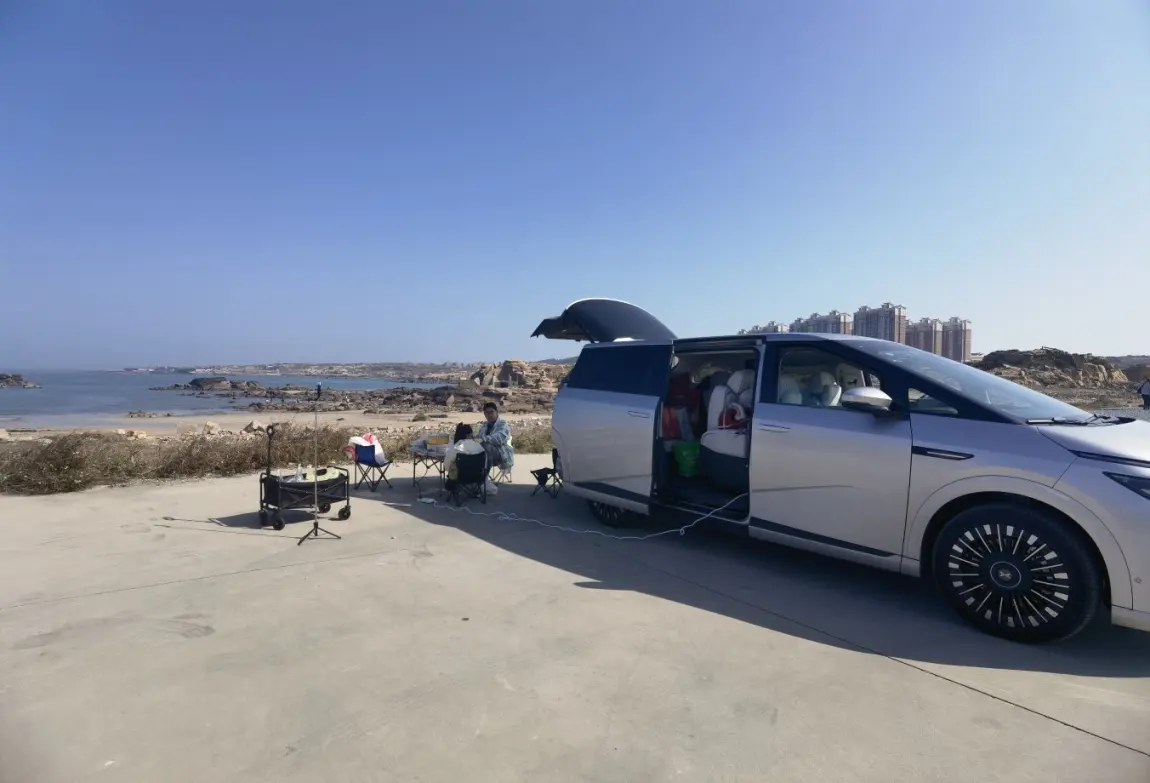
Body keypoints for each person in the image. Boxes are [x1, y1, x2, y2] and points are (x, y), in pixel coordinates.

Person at [476, 401, 514, 473]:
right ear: (484, 414)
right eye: (487, 413)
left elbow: (499, 438)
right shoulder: (485, 425)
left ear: (496, 412)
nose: (489, 415)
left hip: (502, 454)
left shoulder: (503, 424)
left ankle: (484, 475)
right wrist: (472, 437)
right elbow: (479, 436)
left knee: (486, 445)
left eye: (491, 412)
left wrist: (484, 439)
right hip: (486, 454)